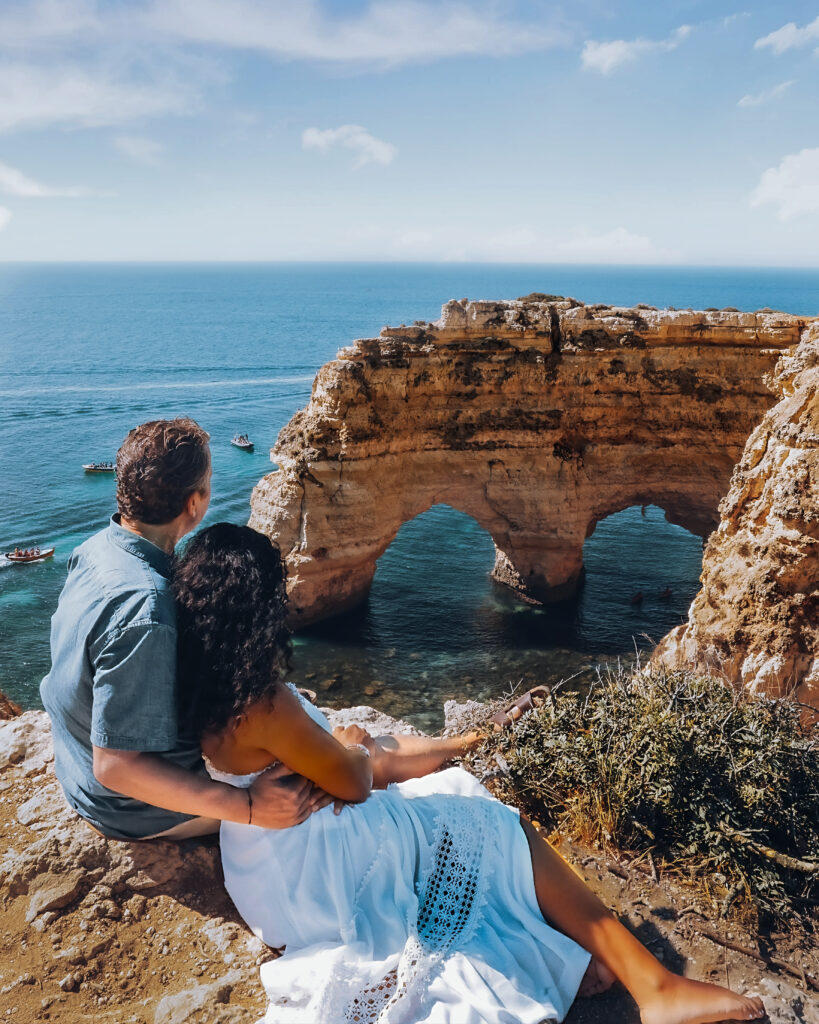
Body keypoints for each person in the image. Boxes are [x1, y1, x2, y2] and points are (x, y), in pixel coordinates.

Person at [173, 522, 766, 1024]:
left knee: (426, 787)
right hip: (318, 875)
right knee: (496, 824)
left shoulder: (195, 685)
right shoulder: (263, 700)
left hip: (263, 875)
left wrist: (342, 753)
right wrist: (346, 744)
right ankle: (655, 988)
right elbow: (355, 783)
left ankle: (476, 744)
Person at [41, 417, 329, 842]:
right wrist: (247, 808)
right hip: (129, 807)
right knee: (317, 787)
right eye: (210, 483)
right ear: (194, 504)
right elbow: (117, 765)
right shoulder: (147, 609)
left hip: (75, 768)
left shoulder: (95, 549)